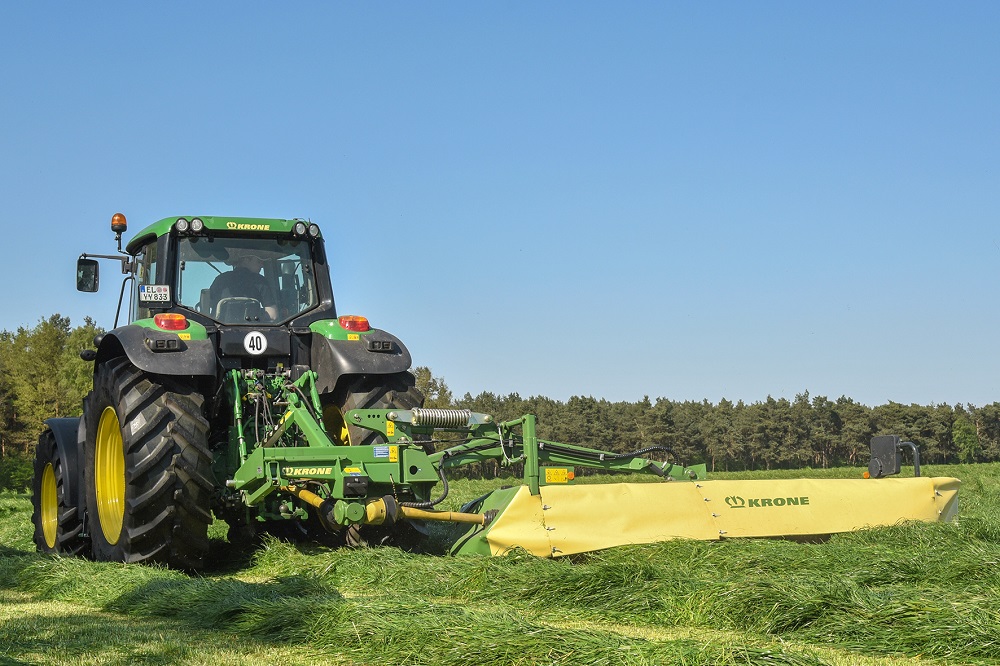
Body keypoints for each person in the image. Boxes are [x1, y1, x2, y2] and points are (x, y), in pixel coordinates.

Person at [209, 248, 279, 321]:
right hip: (251, 330)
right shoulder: (260, 281)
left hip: (219, 328)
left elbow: (210, 304)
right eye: (259, 261)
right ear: (246, 260)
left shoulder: (220, 279)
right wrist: (255, 313)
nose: (262, 265)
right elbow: (272, 314)